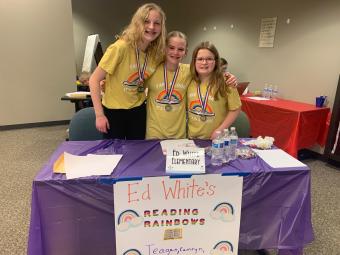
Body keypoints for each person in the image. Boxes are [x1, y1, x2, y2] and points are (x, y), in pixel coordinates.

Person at [89, 3, 166, 139]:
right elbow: (94, 80)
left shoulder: (155, 54)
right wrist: (99, 115)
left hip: (138, 110)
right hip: (114, 111)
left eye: (157, 23)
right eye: (146, 21)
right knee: (115, 155)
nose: (151, 27)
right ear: (137, 23)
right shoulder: (120, 48)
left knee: (137, 153)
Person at [145, 32, 238, 139]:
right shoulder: (151, 70)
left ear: (186, 52)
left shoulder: (189, 72)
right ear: (165, 48)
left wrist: (228, 77)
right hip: (154, 134)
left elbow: (207, 72)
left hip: (180, 136)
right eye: (171, 47)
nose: (175, 52)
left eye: (180, 49)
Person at [187, 41, 241, 140]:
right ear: (194, 61)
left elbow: (236, 109)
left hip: (216, 139)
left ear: (215, 61)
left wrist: (220, 130)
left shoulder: (227, 81)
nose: (204, 62)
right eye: (200, 59)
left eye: (209, 59)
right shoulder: (188, 79)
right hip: (191, 139)